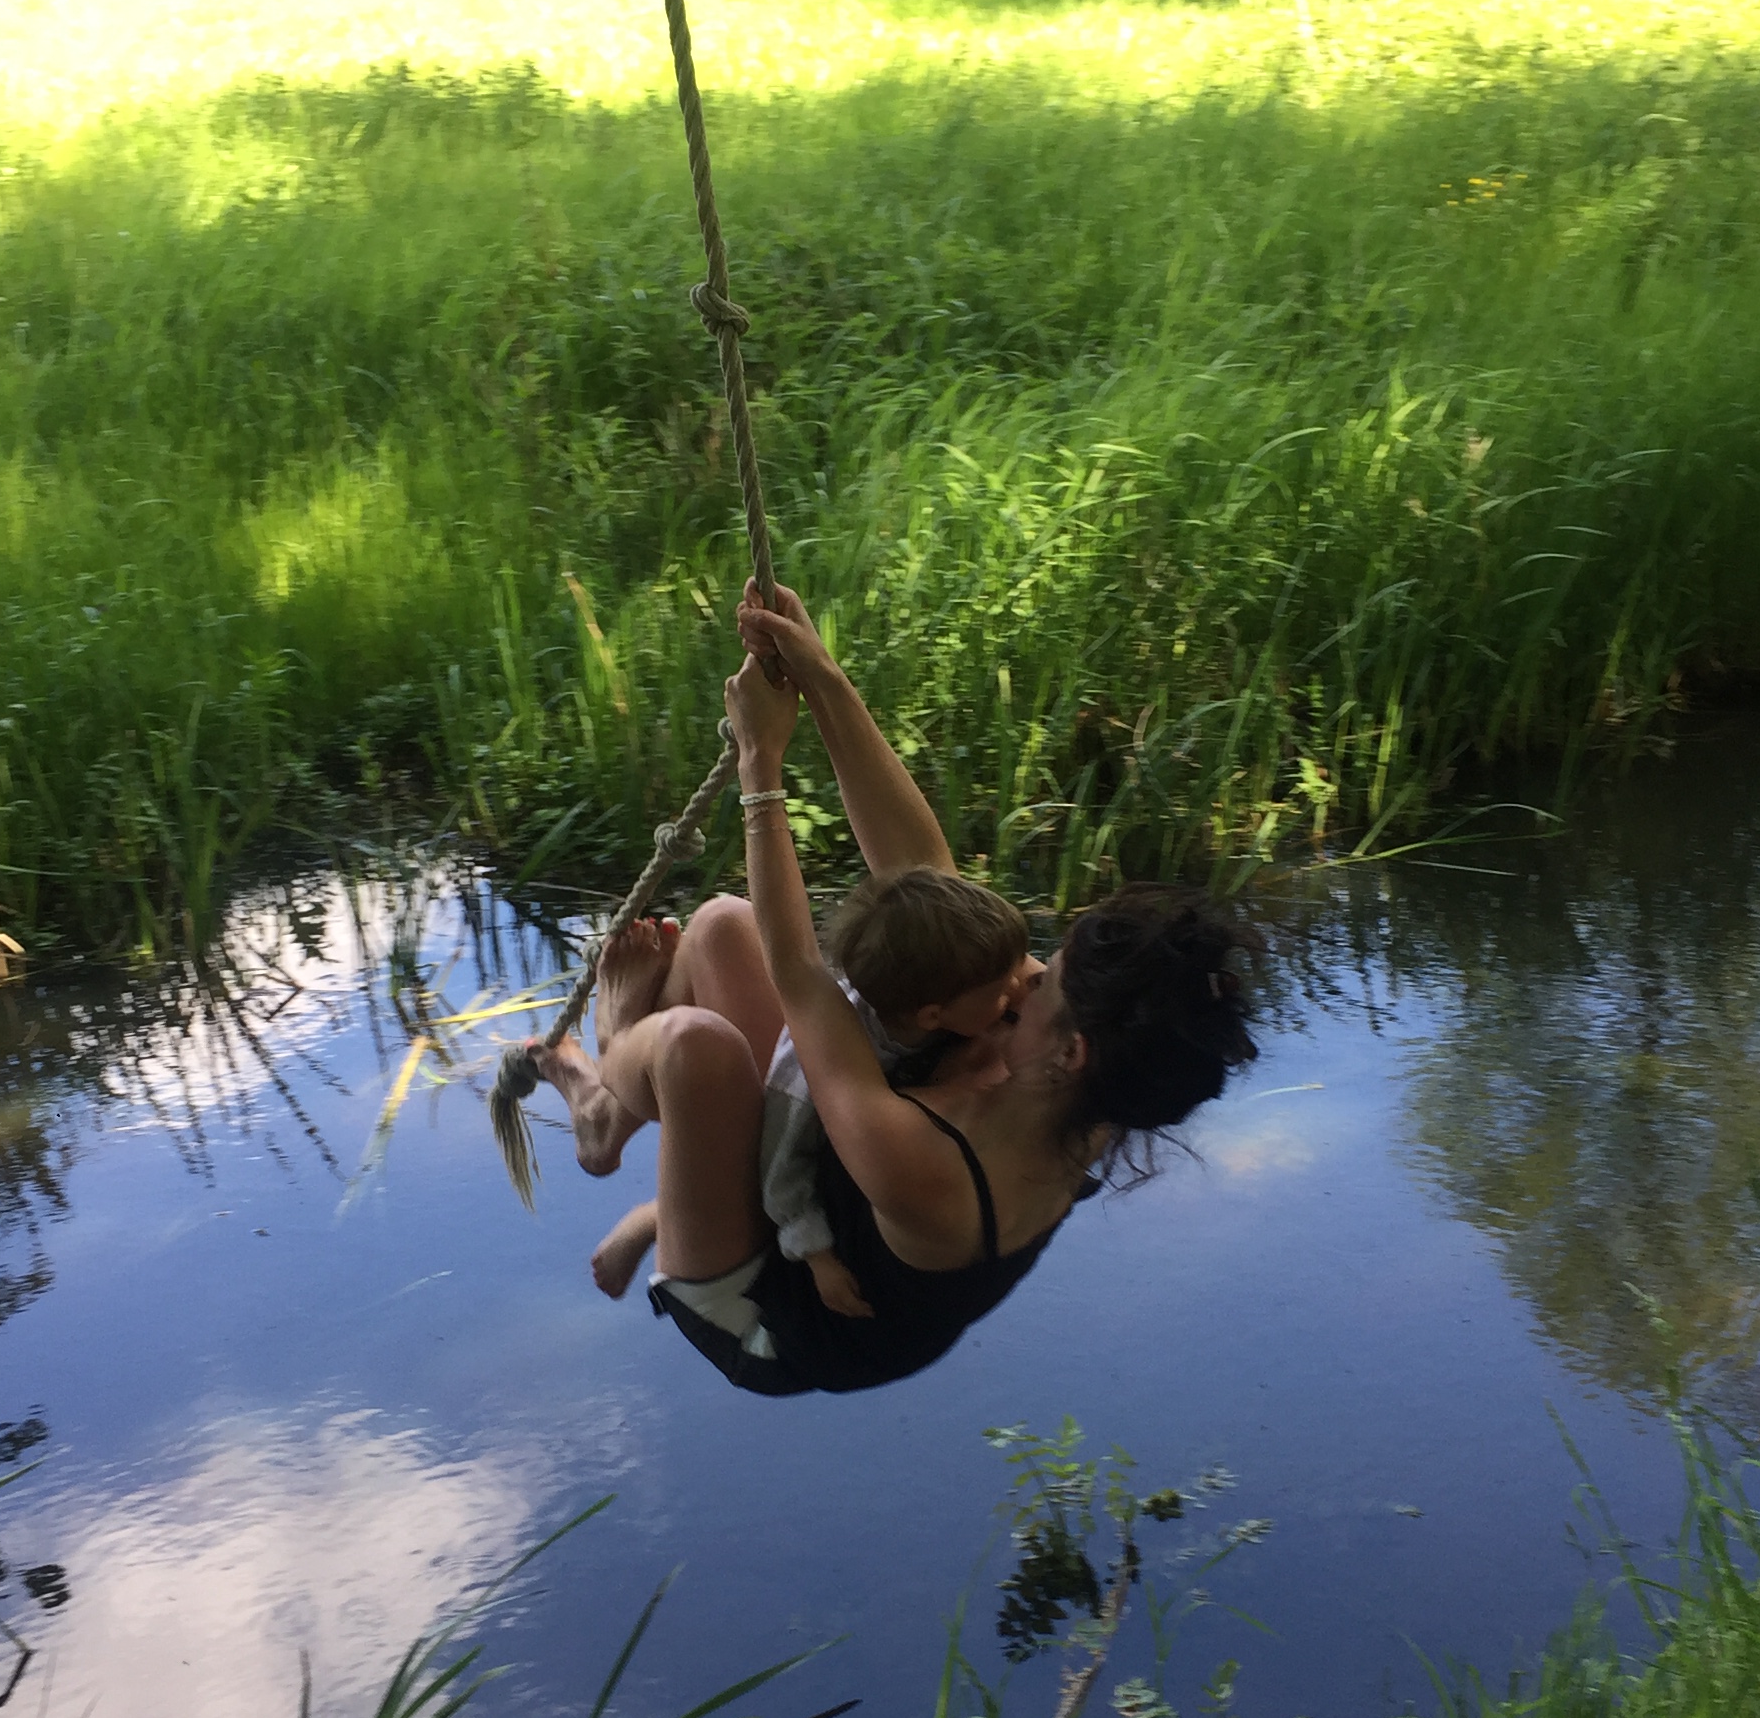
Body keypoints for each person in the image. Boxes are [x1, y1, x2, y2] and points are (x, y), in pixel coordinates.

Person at [535, 584, 1257, 1398]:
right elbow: (925, 878)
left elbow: (802, 972)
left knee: (692, 1047)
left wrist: (760, 760)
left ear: (1071, 1052)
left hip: (772, 1312)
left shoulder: (939, 1178)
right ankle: (630, 1144)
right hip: (828, 1190)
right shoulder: (1098, 1070)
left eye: (1045, 983)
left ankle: (612, 1081)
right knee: (724, 927)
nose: (1027, 978)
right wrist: (822, 677)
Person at [761, 866, 1034, 1326]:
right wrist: (815, 1256)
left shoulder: (930, 1003)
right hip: (802, 1189)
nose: (1018, 985)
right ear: (931, 1016)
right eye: (1000, 990)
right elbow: (780, 1166)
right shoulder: (811, 1076)